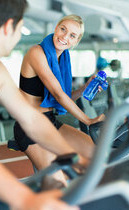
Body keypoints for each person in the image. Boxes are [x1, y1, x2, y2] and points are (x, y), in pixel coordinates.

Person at [0, 0, 80, 210]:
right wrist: (24, 199)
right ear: (9, 26)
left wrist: (71, 157)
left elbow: (30, 117)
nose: (21, 34)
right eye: (21, 28)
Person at [9, 14, 105, 176]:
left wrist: (84, 89)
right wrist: (88, 120)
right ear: (56, 28)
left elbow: (63, 98)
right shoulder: (36, 53)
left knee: (98, 157)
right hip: (30, 127)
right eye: (63, 29)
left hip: (50, 123)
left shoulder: (62, 60)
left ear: (76, 41)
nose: (65, 37)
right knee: (58, 181)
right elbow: (58, 95)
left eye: (72, 35)